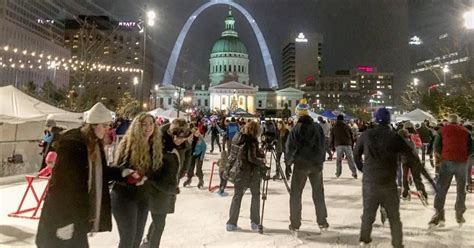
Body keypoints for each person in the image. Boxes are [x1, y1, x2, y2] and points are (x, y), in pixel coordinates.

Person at [36, 102, 124, 247]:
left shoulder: (94, 145)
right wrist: (64, 221)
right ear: (93, 125)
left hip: (78, 215)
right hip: (63, 217)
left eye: (108, 125)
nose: (108, 129)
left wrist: (122, 173)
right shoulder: (72, 145)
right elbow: (60, 185)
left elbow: (101, 172)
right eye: (105, 125)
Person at [354, 107, 428, 248]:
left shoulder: (367, 135)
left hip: (371, 181)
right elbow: (410, 156)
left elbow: (356, 153)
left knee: (368, 213)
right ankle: (397, 243)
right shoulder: (394, 137)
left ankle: (364, 240)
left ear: (375, 119)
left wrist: (364, 169)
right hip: (388, 181)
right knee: (394, 217)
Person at [111, 113, 162, 248]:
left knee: (136, 240)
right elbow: (118, 170)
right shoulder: (129, 144)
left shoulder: (155, 146)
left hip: (143, 198)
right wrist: (132, 176)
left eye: (151, 123)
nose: (148, 127)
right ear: (137, 127)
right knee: (128, 240)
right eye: (144, 124)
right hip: (124, 197)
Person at [286, 99, 329, 235]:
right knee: (318, 194)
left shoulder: (296, 129)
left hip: (301, 165)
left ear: (298, 114)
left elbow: (290, 147)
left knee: (296, 194)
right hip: (316, 165)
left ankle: (295, 223)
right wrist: (320, 160)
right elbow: (323, 144)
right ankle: (322, 221)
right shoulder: (317, 127)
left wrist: (288, 163)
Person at [146, 118, 191, 247]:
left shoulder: (183, 143)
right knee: (160, 223)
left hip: (169, 187)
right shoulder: (159, 144)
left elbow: (187, 153)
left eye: (181, 139)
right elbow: (151, 173)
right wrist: (169, 188)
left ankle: (148, 240)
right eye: (176, 137)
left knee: (159, 218)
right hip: (157, 188)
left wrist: (183, 172)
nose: (178, 141)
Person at [429, 114, 472, 227]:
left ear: (448, 121)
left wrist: (440, 158)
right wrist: (464, 157)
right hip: (461, 163)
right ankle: (459, 213)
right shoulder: (466, 131)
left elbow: (436, 146)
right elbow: (471, 148)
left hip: (446, 162)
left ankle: (438, 213)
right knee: (461, 189)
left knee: (442, 188)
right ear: (458, 122)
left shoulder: (442, 131)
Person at [226, 121, 265, 231]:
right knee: (255, 196)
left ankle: (231, 223)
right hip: (250, 173)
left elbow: (234, 154)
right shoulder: (250, 141)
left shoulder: (237, 137)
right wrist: (261, 160)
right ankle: (255, 222)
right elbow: (251, 158)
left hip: (238, 171)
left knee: (237, 197)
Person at [330, 114, 358, 179]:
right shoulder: (347, 126)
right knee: (350, 159)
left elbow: (332, 137)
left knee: (338, 159)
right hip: (347, 144)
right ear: (343, 119)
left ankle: (338, 173)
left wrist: (332, 146)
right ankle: (354, 172)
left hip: (338, 144)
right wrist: (352, 144)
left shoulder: (334, 127)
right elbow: (351, 136)